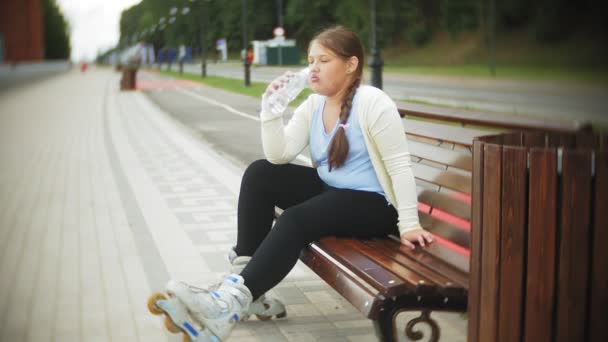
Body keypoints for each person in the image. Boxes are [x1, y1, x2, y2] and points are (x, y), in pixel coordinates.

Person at [164, 25, 433, 341]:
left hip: (373, 203)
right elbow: (279, 155)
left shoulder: (373, 103)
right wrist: (271, 112)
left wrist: (410, 224)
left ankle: (229, 303)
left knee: (296, 219)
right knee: (260, 174)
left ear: (351, 64)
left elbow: (399, 166)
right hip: (333, 192)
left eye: (324, 60)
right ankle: (248, 290)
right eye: (311, 60)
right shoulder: (314, 104)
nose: (313, 68)